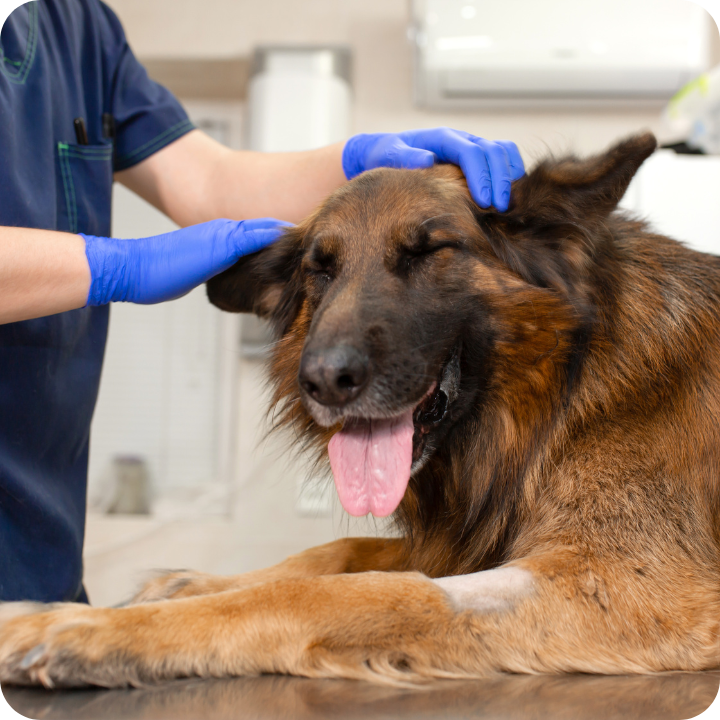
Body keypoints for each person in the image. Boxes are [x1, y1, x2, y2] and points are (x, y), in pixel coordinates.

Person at [0, 0, 525, 603]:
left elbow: (206, 182)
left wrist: (354, 159)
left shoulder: (80, 25)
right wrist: (118, 265)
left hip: (40, 539)